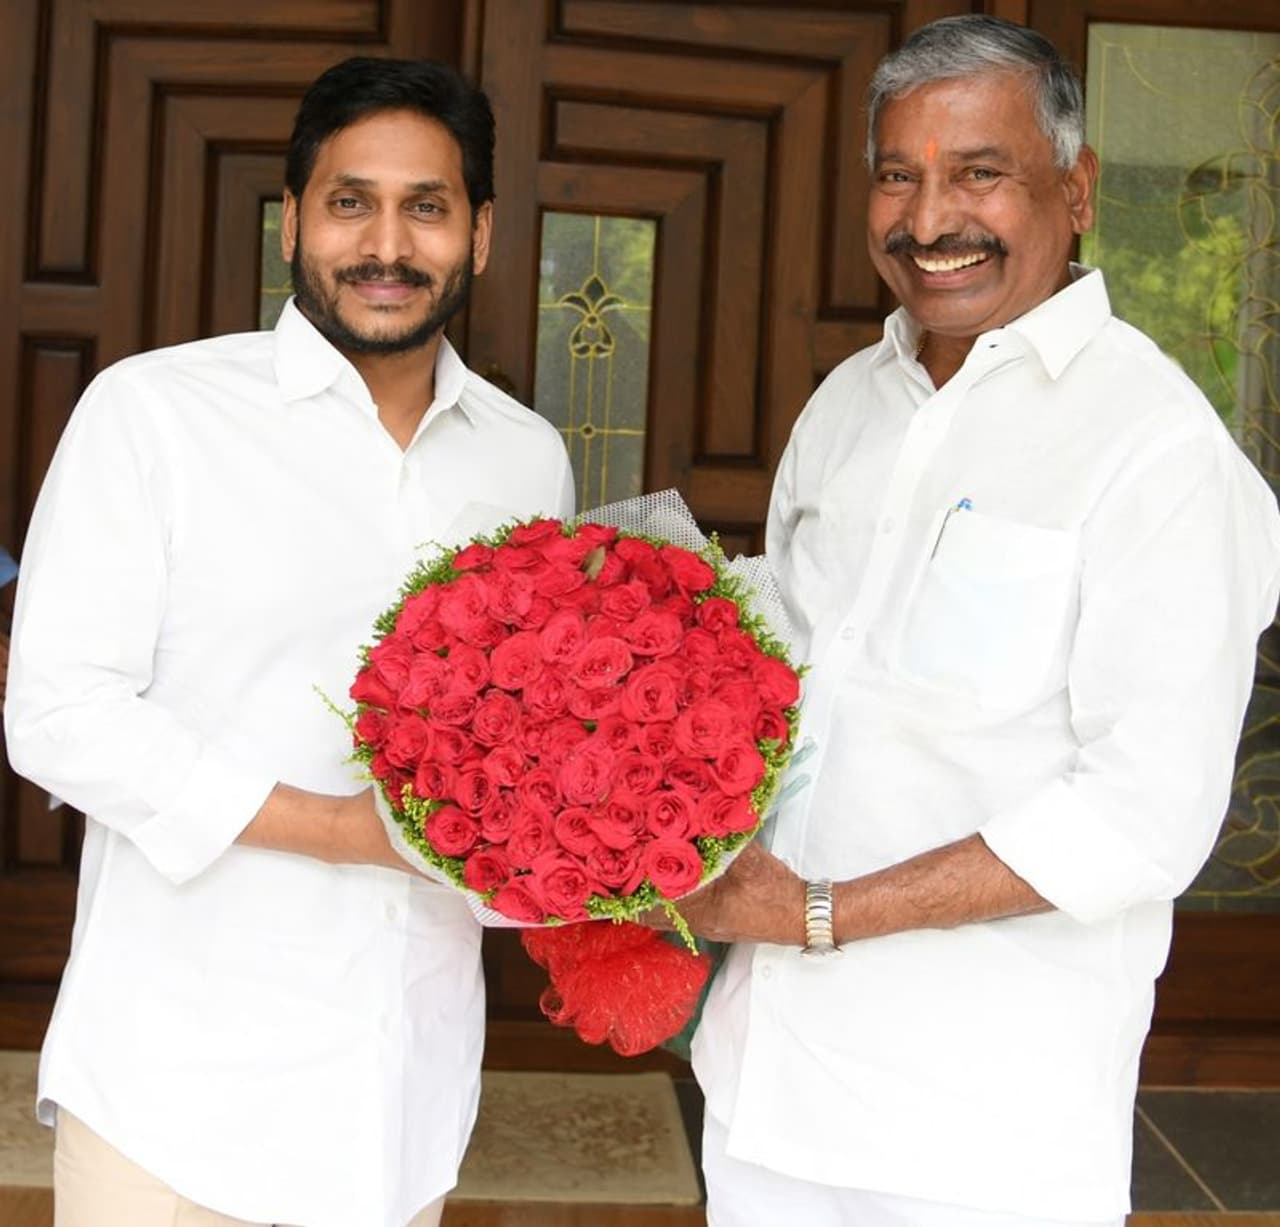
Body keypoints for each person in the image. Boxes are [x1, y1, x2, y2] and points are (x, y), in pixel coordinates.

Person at [672, 16, 1280, 1227]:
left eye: (978, 173)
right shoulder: (848, 401)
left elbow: (1140, 814)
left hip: (980, 1129)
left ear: (1076, 189)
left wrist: (816, 915)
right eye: (897, 175)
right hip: (761, 1086)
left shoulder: (1155, 450)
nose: (928, 218)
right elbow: (778, 664)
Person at [5, 57, 573, 1227]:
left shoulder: (525, 456)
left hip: (401, 1100)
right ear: (291, 223)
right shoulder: (154, 414)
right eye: (349, 202)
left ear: (479, 236)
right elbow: (57, 715)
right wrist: (342, 831)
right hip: (176, 1097)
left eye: (425, 207)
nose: (386, 245)